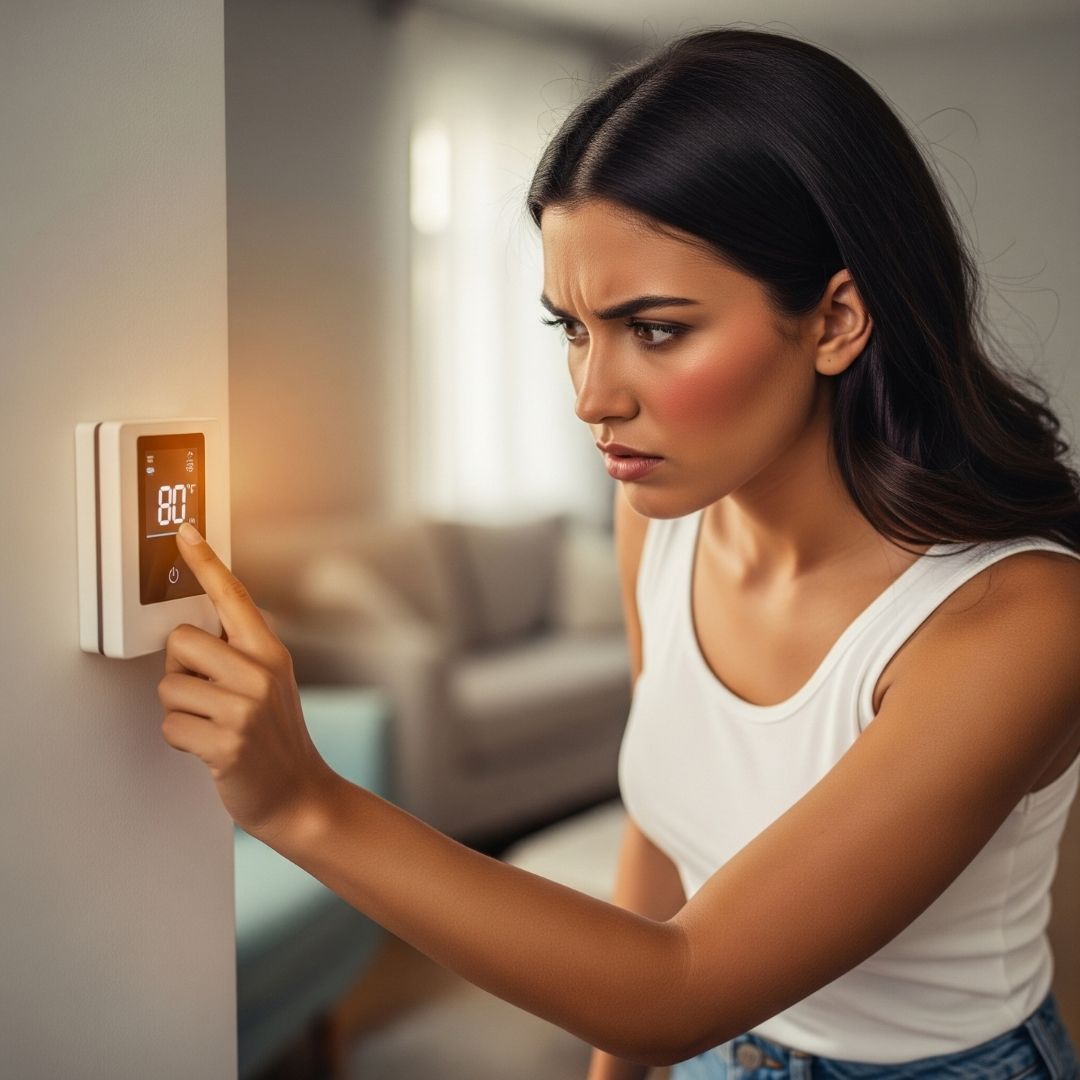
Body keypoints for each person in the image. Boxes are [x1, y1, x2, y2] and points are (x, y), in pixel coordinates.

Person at [158, 25, 1080, 1080]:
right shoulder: (662, 522)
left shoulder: (1020, 622)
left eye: (655, 327)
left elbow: (677, 985)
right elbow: (662, 833)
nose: (592, 397)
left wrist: (302, 802)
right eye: (572, 328)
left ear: (835, 319)